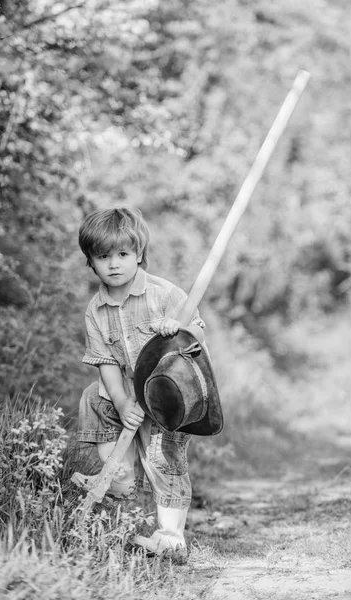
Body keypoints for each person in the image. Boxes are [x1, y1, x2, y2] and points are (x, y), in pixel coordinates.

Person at [75, 207, 207, 560]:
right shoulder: (96, 310)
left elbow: (197, 334)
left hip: (165, 394)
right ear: (91, 260)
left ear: (138, 254)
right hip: (128, 392)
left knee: (165, 464)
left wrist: (176, 329)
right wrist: (121, 402)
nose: (114, 264)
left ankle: (170, 539)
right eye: (103, 257)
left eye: (123, 254)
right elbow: (104, 362)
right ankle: (118, 477)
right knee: (95, 396)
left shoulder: (163, 294)